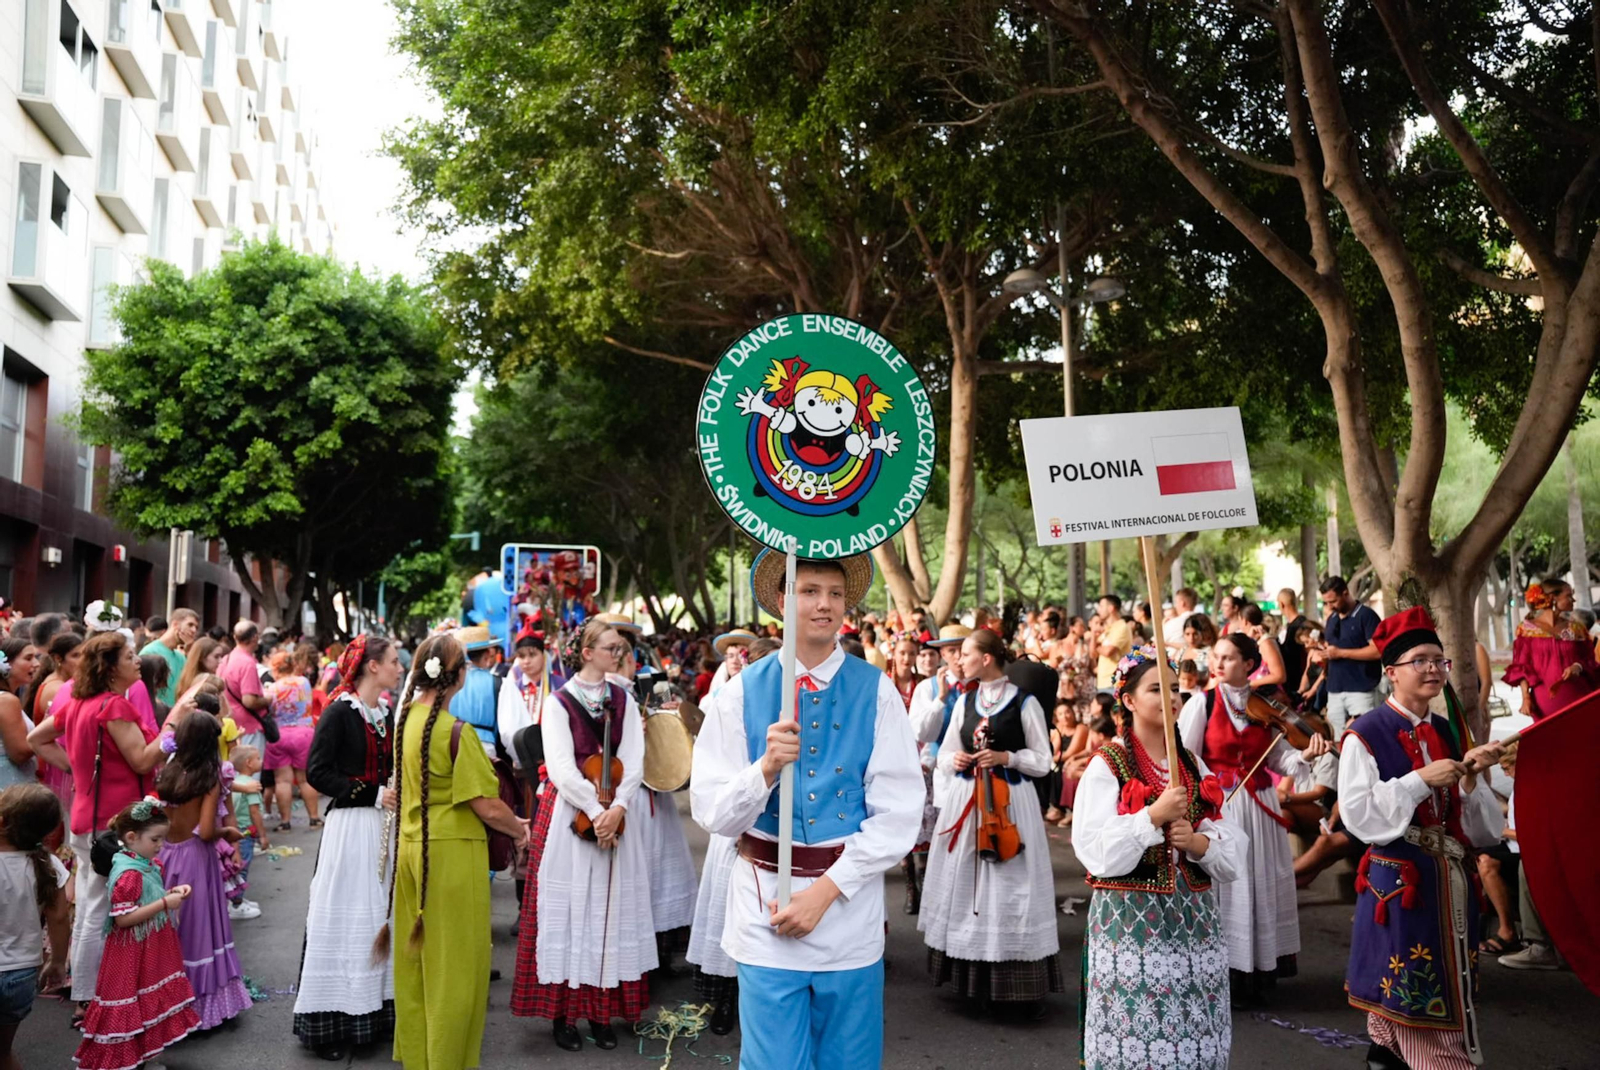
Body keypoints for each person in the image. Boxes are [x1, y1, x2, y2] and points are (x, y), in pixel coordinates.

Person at [691, 552, 922, 1070]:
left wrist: (824, 892)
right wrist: (765, 769)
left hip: (847, 908)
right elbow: (712, 813)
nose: (824, 605)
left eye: (835, 594)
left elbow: (900, 814)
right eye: (810, 591)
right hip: (762, 909)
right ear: (782, 600)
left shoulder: (877, 691)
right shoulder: (739, 693)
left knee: (850, 1061)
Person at [1337, 606, 1505, 1069]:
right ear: (1391, 672)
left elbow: (1480, 829)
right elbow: (1358, 817)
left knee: (1435, 998)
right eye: (1421, 660)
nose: (1433, 668)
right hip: (1401, 887)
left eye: (1439, 660)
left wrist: (1471, 778)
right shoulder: (1364, 733)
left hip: (1448, 882)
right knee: (1416, 1003)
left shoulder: (1447, 729)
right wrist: (1419, 780)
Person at [1073, 645, 1244, 1070]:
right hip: (1129, 925)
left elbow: (1230, 844)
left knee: (1194, 1033)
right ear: (1128, 701)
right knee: (1137, 1034)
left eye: (1175, 689)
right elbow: (1094, 851)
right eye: (1156, 689)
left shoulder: (1192, 764)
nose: (1171, 699)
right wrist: (1151, 817)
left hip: (1194, 922)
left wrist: (1199, 844)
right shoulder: (1108, 764)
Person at [510, 621, 655, 1051]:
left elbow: (633, 758)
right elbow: (560, 767)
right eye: (612, 647)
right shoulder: (558, 703)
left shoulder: (623, 699)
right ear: (587, 652)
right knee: (570, 912)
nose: (619, 654)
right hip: (572, 814)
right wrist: (595, 811)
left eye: (622, 648)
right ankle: (564, 1016)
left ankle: (601, 1013)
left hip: (615, 813)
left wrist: (619, 808)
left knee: (610, 912)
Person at [385, 633, 527, 1070]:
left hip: (413, 850)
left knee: (417, 966)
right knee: (456, 969)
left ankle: (421, 1058)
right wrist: (520, 828)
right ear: (459, 676)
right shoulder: (456, 732)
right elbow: (484, 805)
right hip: (450, 858)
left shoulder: (406, 719)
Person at [1178, 633, 1330, 1005]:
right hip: (1223, 805)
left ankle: (1258, 970)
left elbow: (1282, 761)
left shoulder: (1268, 706)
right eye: (1216, 656)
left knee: (1259, 882)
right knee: (1229, 887)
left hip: (1260, 805)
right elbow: (1187, 758)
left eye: (1229, 658)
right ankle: (1220, 971)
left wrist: (1307, 756)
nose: (1219, 663)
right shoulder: (1202, 703)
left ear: (1249, 665)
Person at [919, 629, 1063, 1016]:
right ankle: (970, 980)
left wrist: (1007, 758)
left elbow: (1042, 759)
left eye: (964, 654)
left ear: (986, 659)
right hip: (969, 800)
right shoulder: (965, 701)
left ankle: (1012, 981)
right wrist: (958, 761)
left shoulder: (1024, 702)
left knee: (1010, 885)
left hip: (1010, 803)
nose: (958, 660)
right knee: (968, 887)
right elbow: (947, 752)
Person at [25, 632, 168, 1021]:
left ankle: (88, 995)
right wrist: (175, 725)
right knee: (98, 910)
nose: (138, 661)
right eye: (130, 655)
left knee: (91, 905)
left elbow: (37, 737)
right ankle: (94, 998)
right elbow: (142, 761)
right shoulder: (114, 707)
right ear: (110, 667)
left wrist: (75, 766)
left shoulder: (78, 702)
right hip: (114, 825)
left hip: (89, 818)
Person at [294, 635, 404, 1061]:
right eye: (393, 661)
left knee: (379, 912)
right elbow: (317, 772)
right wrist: (373, 794)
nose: (398, 667)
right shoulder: (340, 711)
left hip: (384, 826)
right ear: (372, 666)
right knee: (346, 915)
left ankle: (373, 1015)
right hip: (352, 826)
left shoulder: (384, 712)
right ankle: (333, 1022)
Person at [686, 636, 780, 1036]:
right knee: (727, 917)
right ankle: (724, 1001)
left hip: (777, 830)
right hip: (736, 826)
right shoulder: (730, 700)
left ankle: (757, 1005)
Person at [71, 797, 201, 1070]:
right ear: (131, 837)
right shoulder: (129, 873)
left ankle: (144, 1055)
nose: (160, 846)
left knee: (144, 1003)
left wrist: (171, 893)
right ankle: (124, 1061)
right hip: (131, 950)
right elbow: (124, 919)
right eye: (155, 839)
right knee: (131, 1002)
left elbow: (144, 901)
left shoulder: (141, 862)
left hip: (147, 944)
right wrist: (165, 903)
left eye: (162, 839)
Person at [153, 711, 252, 1029]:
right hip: (197, 858)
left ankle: (171, 1003)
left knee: (174, 928)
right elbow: (207, 830)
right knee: (201, 930)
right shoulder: (209, 777)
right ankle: (201, 1010)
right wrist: (228, 834)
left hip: (168, 854)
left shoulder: (169, 772)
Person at [0, 784, 70, 1068]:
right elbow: (60, 918)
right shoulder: (48, 864)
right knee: (3, 1053)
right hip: (21, 975)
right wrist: (57, 961)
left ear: (3, 822)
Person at [1503, 578, 1600, 721]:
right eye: (1568, 596)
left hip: (1579, 695)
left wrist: (1578, 667)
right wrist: (1526, 698)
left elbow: (1590, 661)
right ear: (1553, 598)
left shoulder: (1575, 629)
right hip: (1545, 700)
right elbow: (1522, 668)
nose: (1573, 600)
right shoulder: (1527, 629)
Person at [1313, 576, 1384, 734]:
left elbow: (1378, 651)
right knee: (1336, 738)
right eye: (1326, 603)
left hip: (1361, 689)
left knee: (1365, 736)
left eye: (1333, 601)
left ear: (1345, 593)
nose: (1330, 606)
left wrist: (1341, 653)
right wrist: (1322, 653)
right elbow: (1332, 649)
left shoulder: (1366, 616)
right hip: (1335, 689)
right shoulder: (1331, 619)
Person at [265, 643, 322, 832]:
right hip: (303, 734)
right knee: (305, 779)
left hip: (279, 735)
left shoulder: (272, 688)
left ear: (275, 668)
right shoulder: (304, 682)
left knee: (282, 781)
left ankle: (285, 822)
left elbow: (268, 708)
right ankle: (314, 819)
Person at [220, 621, 271, 755]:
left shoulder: (225, 659)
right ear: (255, 637)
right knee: (248, 772)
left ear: (235, 637)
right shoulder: (247, 663)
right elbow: (249, 701)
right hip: (248, 726)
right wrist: (268, 699)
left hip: (228, 723)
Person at [0, 639, 40, 789]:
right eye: (28, 658)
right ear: (7, 664)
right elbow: (19, 754)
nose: (37, 663)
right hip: (10, 785)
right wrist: (47, 732)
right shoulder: (6, 701)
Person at [139, 608, 198, 708]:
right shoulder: (150, 651)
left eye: (196, 627)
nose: (194, 630)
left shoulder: (181, 656)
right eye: (190, 625)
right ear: (175, 624)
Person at [1094, 595, 1132, 692]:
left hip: (1115, 682)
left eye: (1101, 606)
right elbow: (1092, 654)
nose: (1098, 610)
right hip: (1102, 682)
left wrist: (1097, 646)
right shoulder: (1107, 629)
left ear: (1111, 608)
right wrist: (1093, 635)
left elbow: (1108, 652)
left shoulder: (1122, 627)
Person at [175, 636, 225, 709]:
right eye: (216, 657)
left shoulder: (188, 678)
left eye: (221, 656)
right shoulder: (204, 682)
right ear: (202, 657)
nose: (220, 661)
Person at [1164, 588, 1198, 658]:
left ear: (1182, 603)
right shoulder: (1205, 622)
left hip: (1175, 663)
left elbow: (1157, 642)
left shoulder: (1172, 623)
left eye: (1176, 602)